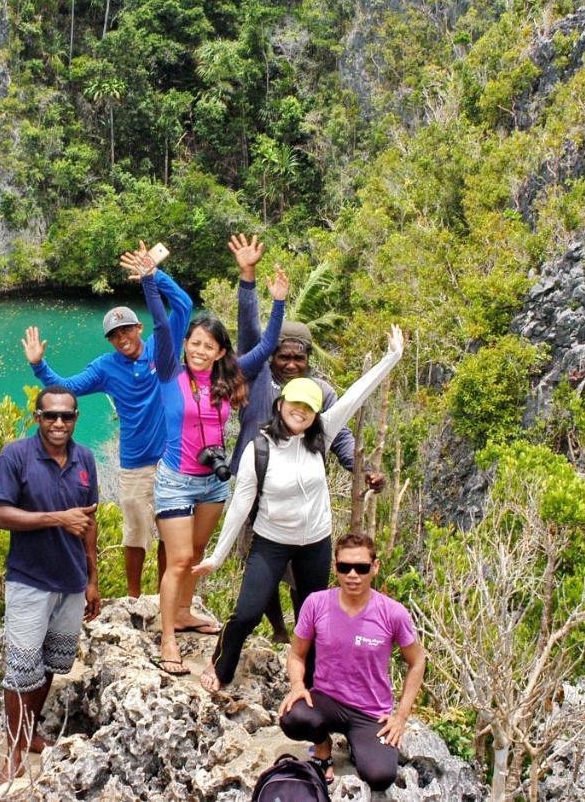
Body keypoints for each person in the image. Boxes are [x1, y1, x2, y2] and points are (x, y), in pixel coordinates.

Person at [192, 325, 404, 694]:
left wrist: (392, 357)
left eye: (309, 407)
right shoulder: (259, 449)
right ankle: (220, 665)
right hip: (272, 542)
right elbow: (240, 507)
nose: (301, 413)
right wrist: (217, 556)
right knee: (247, 613)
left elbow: (355, 396)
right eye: (295, 406)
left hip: (316, 546)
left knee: (315, 618)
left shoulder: (320, 435)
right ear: (280, 405)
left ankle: (310, 682)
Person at [136, 242, 289, 675]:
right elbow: (162, 324)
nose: (199, 350)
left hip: (213, 481)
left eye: (209, 345)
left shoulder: (230, 377)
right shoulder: (169, 371)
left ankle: (184, 612)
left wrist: (265, 292)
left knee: (198, 550)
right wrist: (150, 280)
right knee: (180, 558)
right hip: (176, 479)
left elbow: (270, 343)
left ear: (221, 351)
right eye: (195, 343)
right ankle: (168, 637)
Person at [228, 233, 386, 642]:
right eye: (284, 355)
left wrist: (362, 469)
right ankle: (278, 630)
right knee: (258, 565)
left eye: (300, 357)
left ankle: (302, 634)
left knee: (303, 574)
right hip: (257, 489)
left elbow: (340, 438)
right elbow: (248, 334)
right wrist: (249, 280)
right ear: (273, 355)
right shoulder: (256, 380)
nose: (292, 363)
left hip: (300, 499)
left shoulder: (322, 392)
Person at [22, 244, 192, 597]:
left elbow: (185, 306)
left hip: (172, 460)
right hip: (134, 462)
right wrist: (40, 365)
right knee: (135, 533)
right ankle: (133, 598)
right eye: (115, 335)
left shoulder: (163, 348)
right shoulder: (105, 367)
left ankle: (165, 596)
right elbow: (67, 388)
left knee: (169, 530)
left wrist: (154, 276)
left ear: (138, 327)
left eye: (126, 330)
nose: (122, 339)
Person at [0, 386, 101, 786]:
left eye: (66, 417)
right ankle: (13, 755)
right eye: (50, 416)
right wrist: (57, 519)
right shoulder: (16, 456)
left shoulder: (84, 458)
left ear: (75, 419)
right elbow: (1, 514)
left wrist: (93, 579)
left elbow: (89, 522)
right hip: (30, 580)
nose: (58, 423)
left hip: (71, 582)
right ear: (37, 417)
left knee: (51, 664)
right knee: (20, 672)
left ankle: (31, 733)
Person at [278, 532, 426, 791]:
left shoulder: (392, 613)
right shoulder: (316, 603)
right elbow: (297, 653)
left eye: (361, 567)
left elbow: (417, 660)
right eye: (345, 567)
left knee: (379, 776)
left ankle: (360, 746)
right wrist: (297, 686)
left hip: (370, 713)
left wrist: (400, 717)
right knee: (293, 717)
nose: (353, 575)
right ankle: (322, 748)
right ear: (336, 568)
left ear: (375, 567)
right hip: (326, 700)